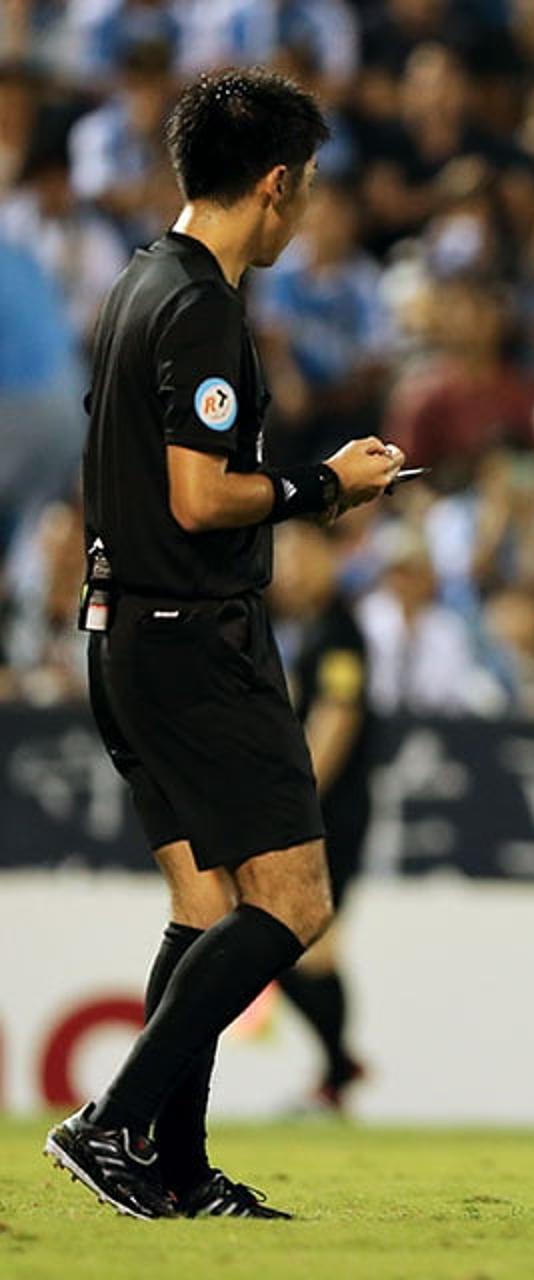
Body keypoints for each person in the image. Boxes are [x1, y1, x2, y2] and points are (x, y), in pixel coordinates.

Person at [47, 68, 404, 1220]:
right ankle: (112, 1123)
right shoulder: (203, 302)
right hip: (195, 636)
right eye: (303, 193)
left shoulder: (136, 283)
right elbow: (201, 498)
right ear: (277, 184)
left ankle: (176, 1166)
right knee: (294, 902)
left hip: (123, 636)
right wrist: (324, 485)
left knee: (205, 913)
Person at [269, 521, 371, 1112]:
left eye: (301, 555)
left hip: (330, 814)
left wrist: (290, 798)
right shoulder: (306, 630)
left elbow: (337, 718)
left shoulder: (339, 631)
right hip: (319, 812)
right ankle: (337, 1070)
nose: (290, 569)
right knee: (299, 945)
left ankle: (335, 1073)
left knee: (297, 941)